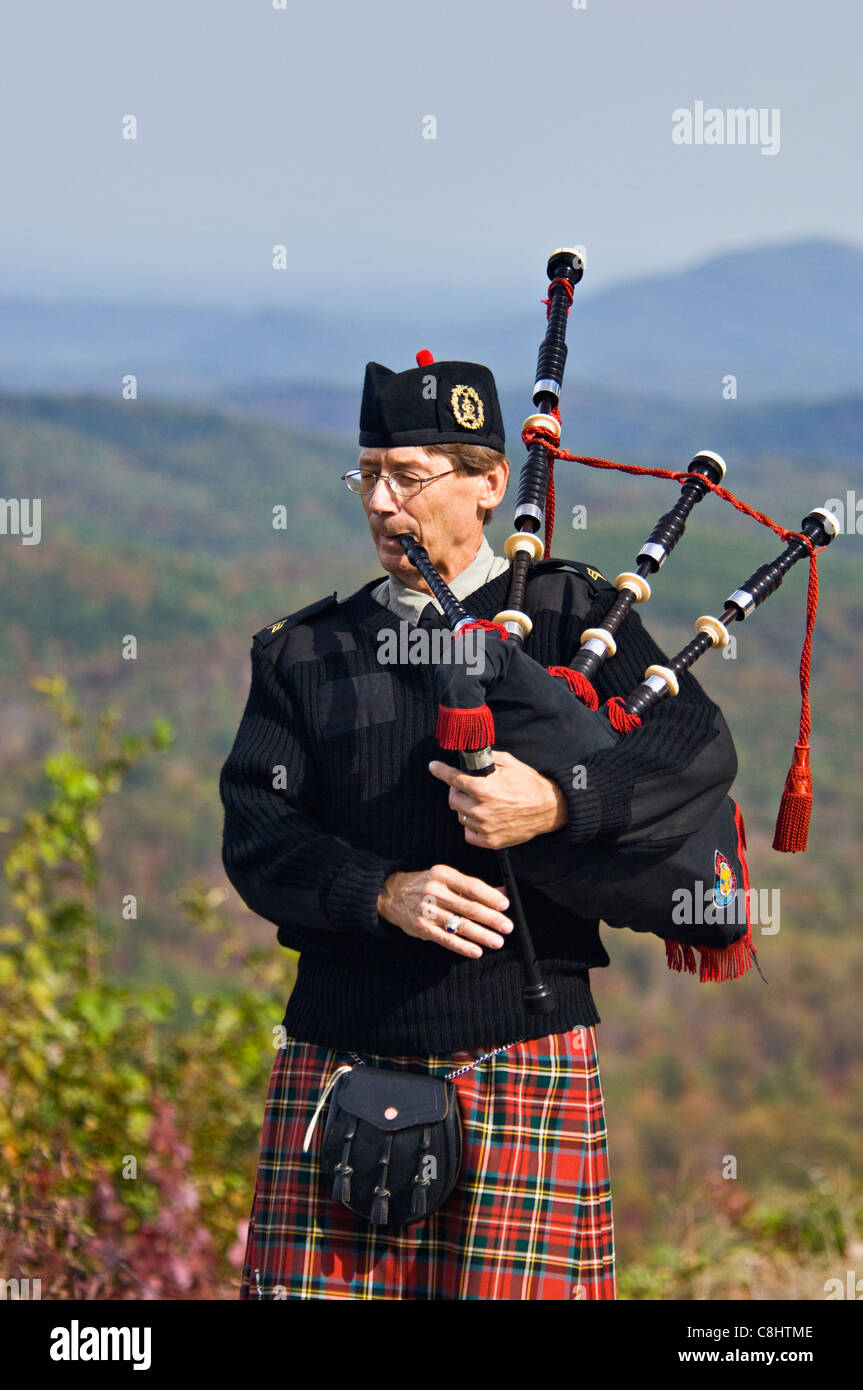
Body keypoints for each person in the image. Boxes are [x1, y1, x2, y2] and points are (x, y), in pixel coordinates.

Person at [219, 355, 737, 1300]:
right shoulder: (305, 650)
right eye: (366, 473)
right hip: (338, 1051)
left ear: (490, 483)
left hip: (520, 1052)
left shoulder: (572, 617)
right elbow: (258, 833)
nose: (381, 502)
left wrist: (559, 802)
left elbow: (693, 747)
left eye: (409, 477)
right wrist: (380, 891)